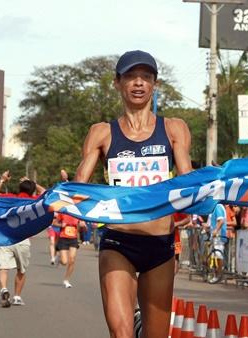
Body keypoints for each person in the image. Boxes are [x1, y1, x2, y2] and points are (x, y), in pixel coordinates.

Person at [74, 50, 192, 337]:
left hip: (160, 244)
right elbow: (80, 184)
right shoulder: (102, 133)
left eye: (146, 77)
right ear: (117, 83)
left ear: (155, 84)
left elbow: (188, 180)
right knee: (121, 331)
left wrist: (190, 205)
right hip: (118, 241)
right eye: (131, 77)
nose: (139, 83)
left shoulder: (174, 128)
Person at [0, 170, 45, 307]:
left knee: (3, 268)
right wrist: (32, 183)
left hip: (6, 238)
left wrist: (2, 179)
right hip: (23, 240)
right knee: (21, 270)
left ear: (19, 188)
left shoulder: (10, 198)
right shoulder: (34, 201)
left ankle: (4, 288)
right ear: (32, 191)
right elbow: (45, 192)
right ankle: (17, 297)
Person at [54, 213, 84, 288]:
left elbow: (83, 228)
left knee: (72, 260)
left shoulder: (78, 214)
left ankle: (66, 280)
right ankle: (59, 258)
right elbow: (54, 222)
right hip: (63, 238)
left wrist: (82, 225)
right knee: (64, 262)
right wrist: (61, 225)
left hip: (73, 239)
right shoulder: (63, 213)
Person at [206, 203, 227, 284]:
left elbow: (221, 221)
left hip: (219, 236)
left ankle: (218, 276)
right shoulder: (212, 209)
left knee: (218, 256)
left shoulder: (218, 206)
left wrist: (216, 230)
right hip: (213, 236)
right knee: (213, 256)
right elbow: (211, 223)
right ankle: (214, 275)